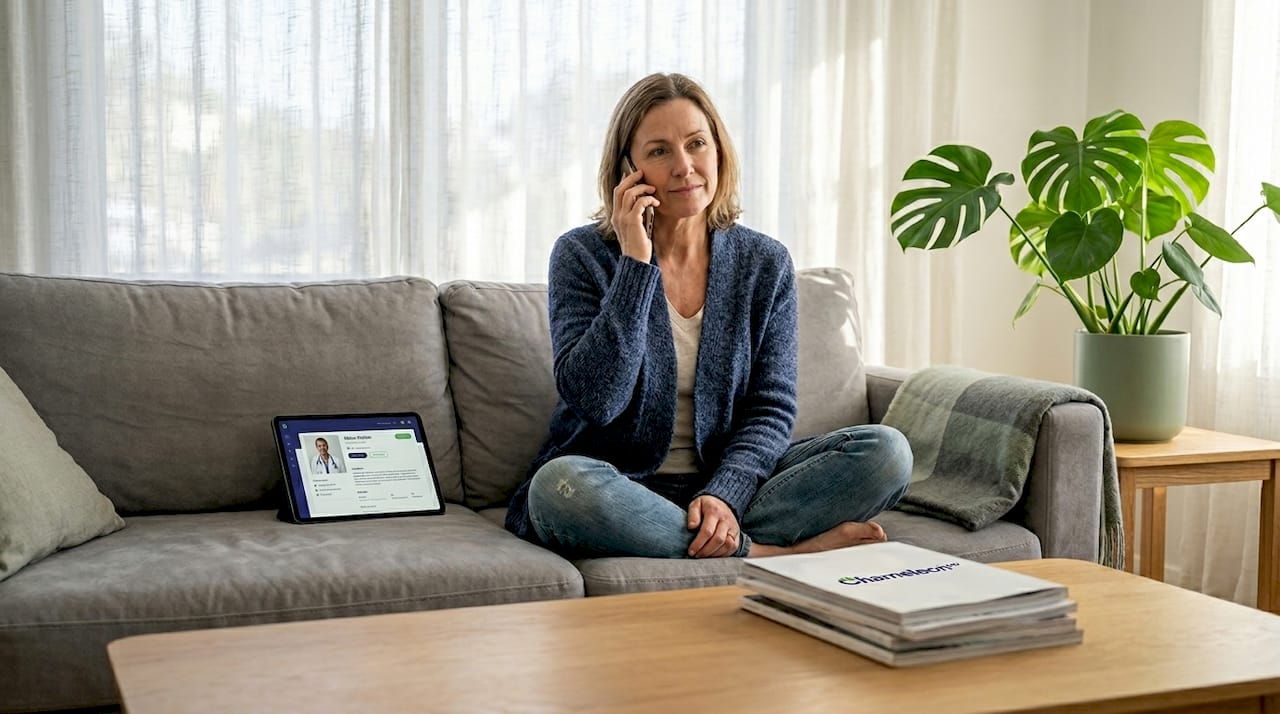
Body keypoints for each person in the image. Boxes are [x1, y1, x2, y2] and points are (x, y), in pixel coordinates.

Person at [504, 73, 912, 559]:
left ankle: (702, 535)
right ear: (627, 170)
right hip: (618, 484)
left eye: (696, 143)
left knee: (887, 453)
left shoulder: (764, 263)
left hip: (728, 489)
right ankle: (764, 553)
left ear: (718, 150)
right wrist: (635, 263)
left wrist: (725, 493)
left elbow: (771, 408)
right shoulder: (581, 255)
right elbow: (597, 401)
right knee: (557, 487)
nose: (684, 166)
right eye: (659, 151)